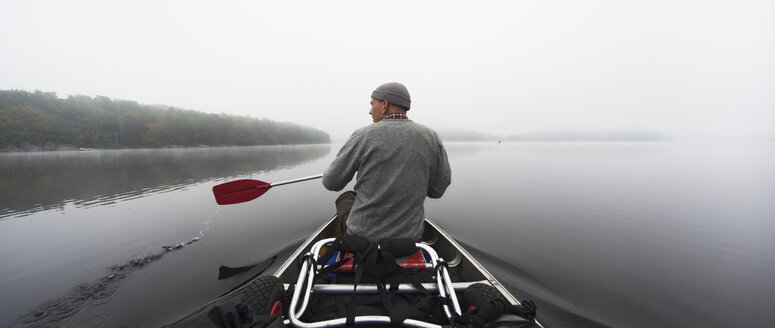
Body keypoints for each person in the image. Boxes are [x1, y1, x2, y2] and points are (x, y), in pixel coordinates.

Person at [322, 82, 451, 242]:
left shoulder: (363, 135)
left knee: (347, 198)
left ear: (385, 105)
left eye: (372, 104)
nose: (370, 111)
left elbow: (331, 182)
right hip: (409, 240)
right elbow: (437, 191)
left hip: (363, 239)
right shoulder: (431, 137)